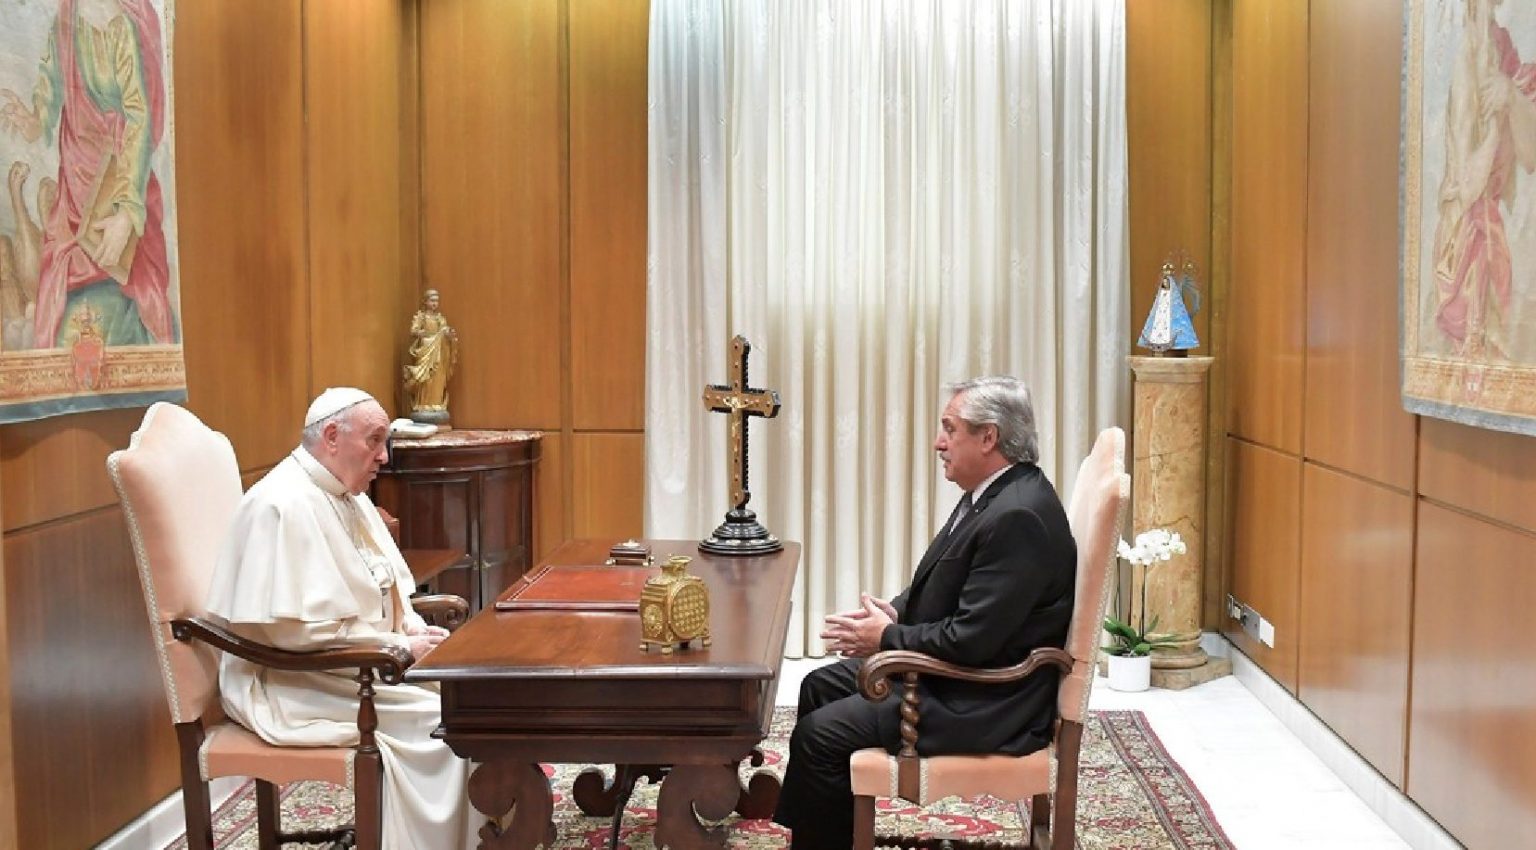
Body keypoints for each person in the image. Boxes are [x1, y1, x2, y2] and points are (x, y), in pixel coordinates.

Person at [773, 376, 1077, 849]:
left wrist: (885, 639)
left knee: (820, 736)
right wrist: (895, 615)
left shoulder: (1019, 516)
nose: (939, 442)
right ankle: (828, 837)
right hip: (962, 678)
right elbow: (948, 587)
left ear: (988, 437)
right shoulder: (994, 494)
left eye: (949, 429)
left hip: (986, 701)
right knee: (817, 686)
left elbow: (970, 640)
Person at [204, 388, 478, 850]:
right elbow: (288, 632)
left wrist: (410, 626)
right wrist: (399, 647)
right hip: (291, 682)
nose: (384, 457)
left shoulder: (347, 493)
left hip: (352, 669)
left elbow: (384, 583)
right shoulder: (280, 505)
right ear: (332, 436)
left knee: (475, 703)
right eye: (374, 441)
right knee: (443, 725)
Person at [0, 0, 176, 349]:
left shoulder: (121, 26)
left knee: (130, 298)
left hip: (118, 180)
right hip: (73, 185)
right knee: (57, 301)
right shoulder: (65, 21)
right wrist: (30, 119)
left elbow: (139, 119)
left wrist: (126, 214)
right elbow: (47, 102)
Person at [1430, 0, 1536, 362]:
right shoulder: (1466, 61)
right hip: (1463, 244)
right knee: (1472, 355)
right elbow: (1468, 186)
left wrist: (1511, 97)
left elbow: (1531, 156)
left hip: (1492, 239)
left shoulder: (1501, 46)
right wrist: (1493, 132)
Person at [401, 289, 457, 423]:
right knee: (426, 379)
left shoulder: (440, 319)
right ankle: (423, 404)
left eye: (436, 301)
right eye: (432, 300)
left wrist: (448, 334)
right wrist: (424, 334)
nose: (434, 303)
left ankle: (436, 403)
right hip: (426, 351)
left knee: (437, 378)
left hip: (439, 354)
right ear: (425, 302)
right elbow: (414, 331)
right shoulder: (421, 317)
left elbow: (445, 332)